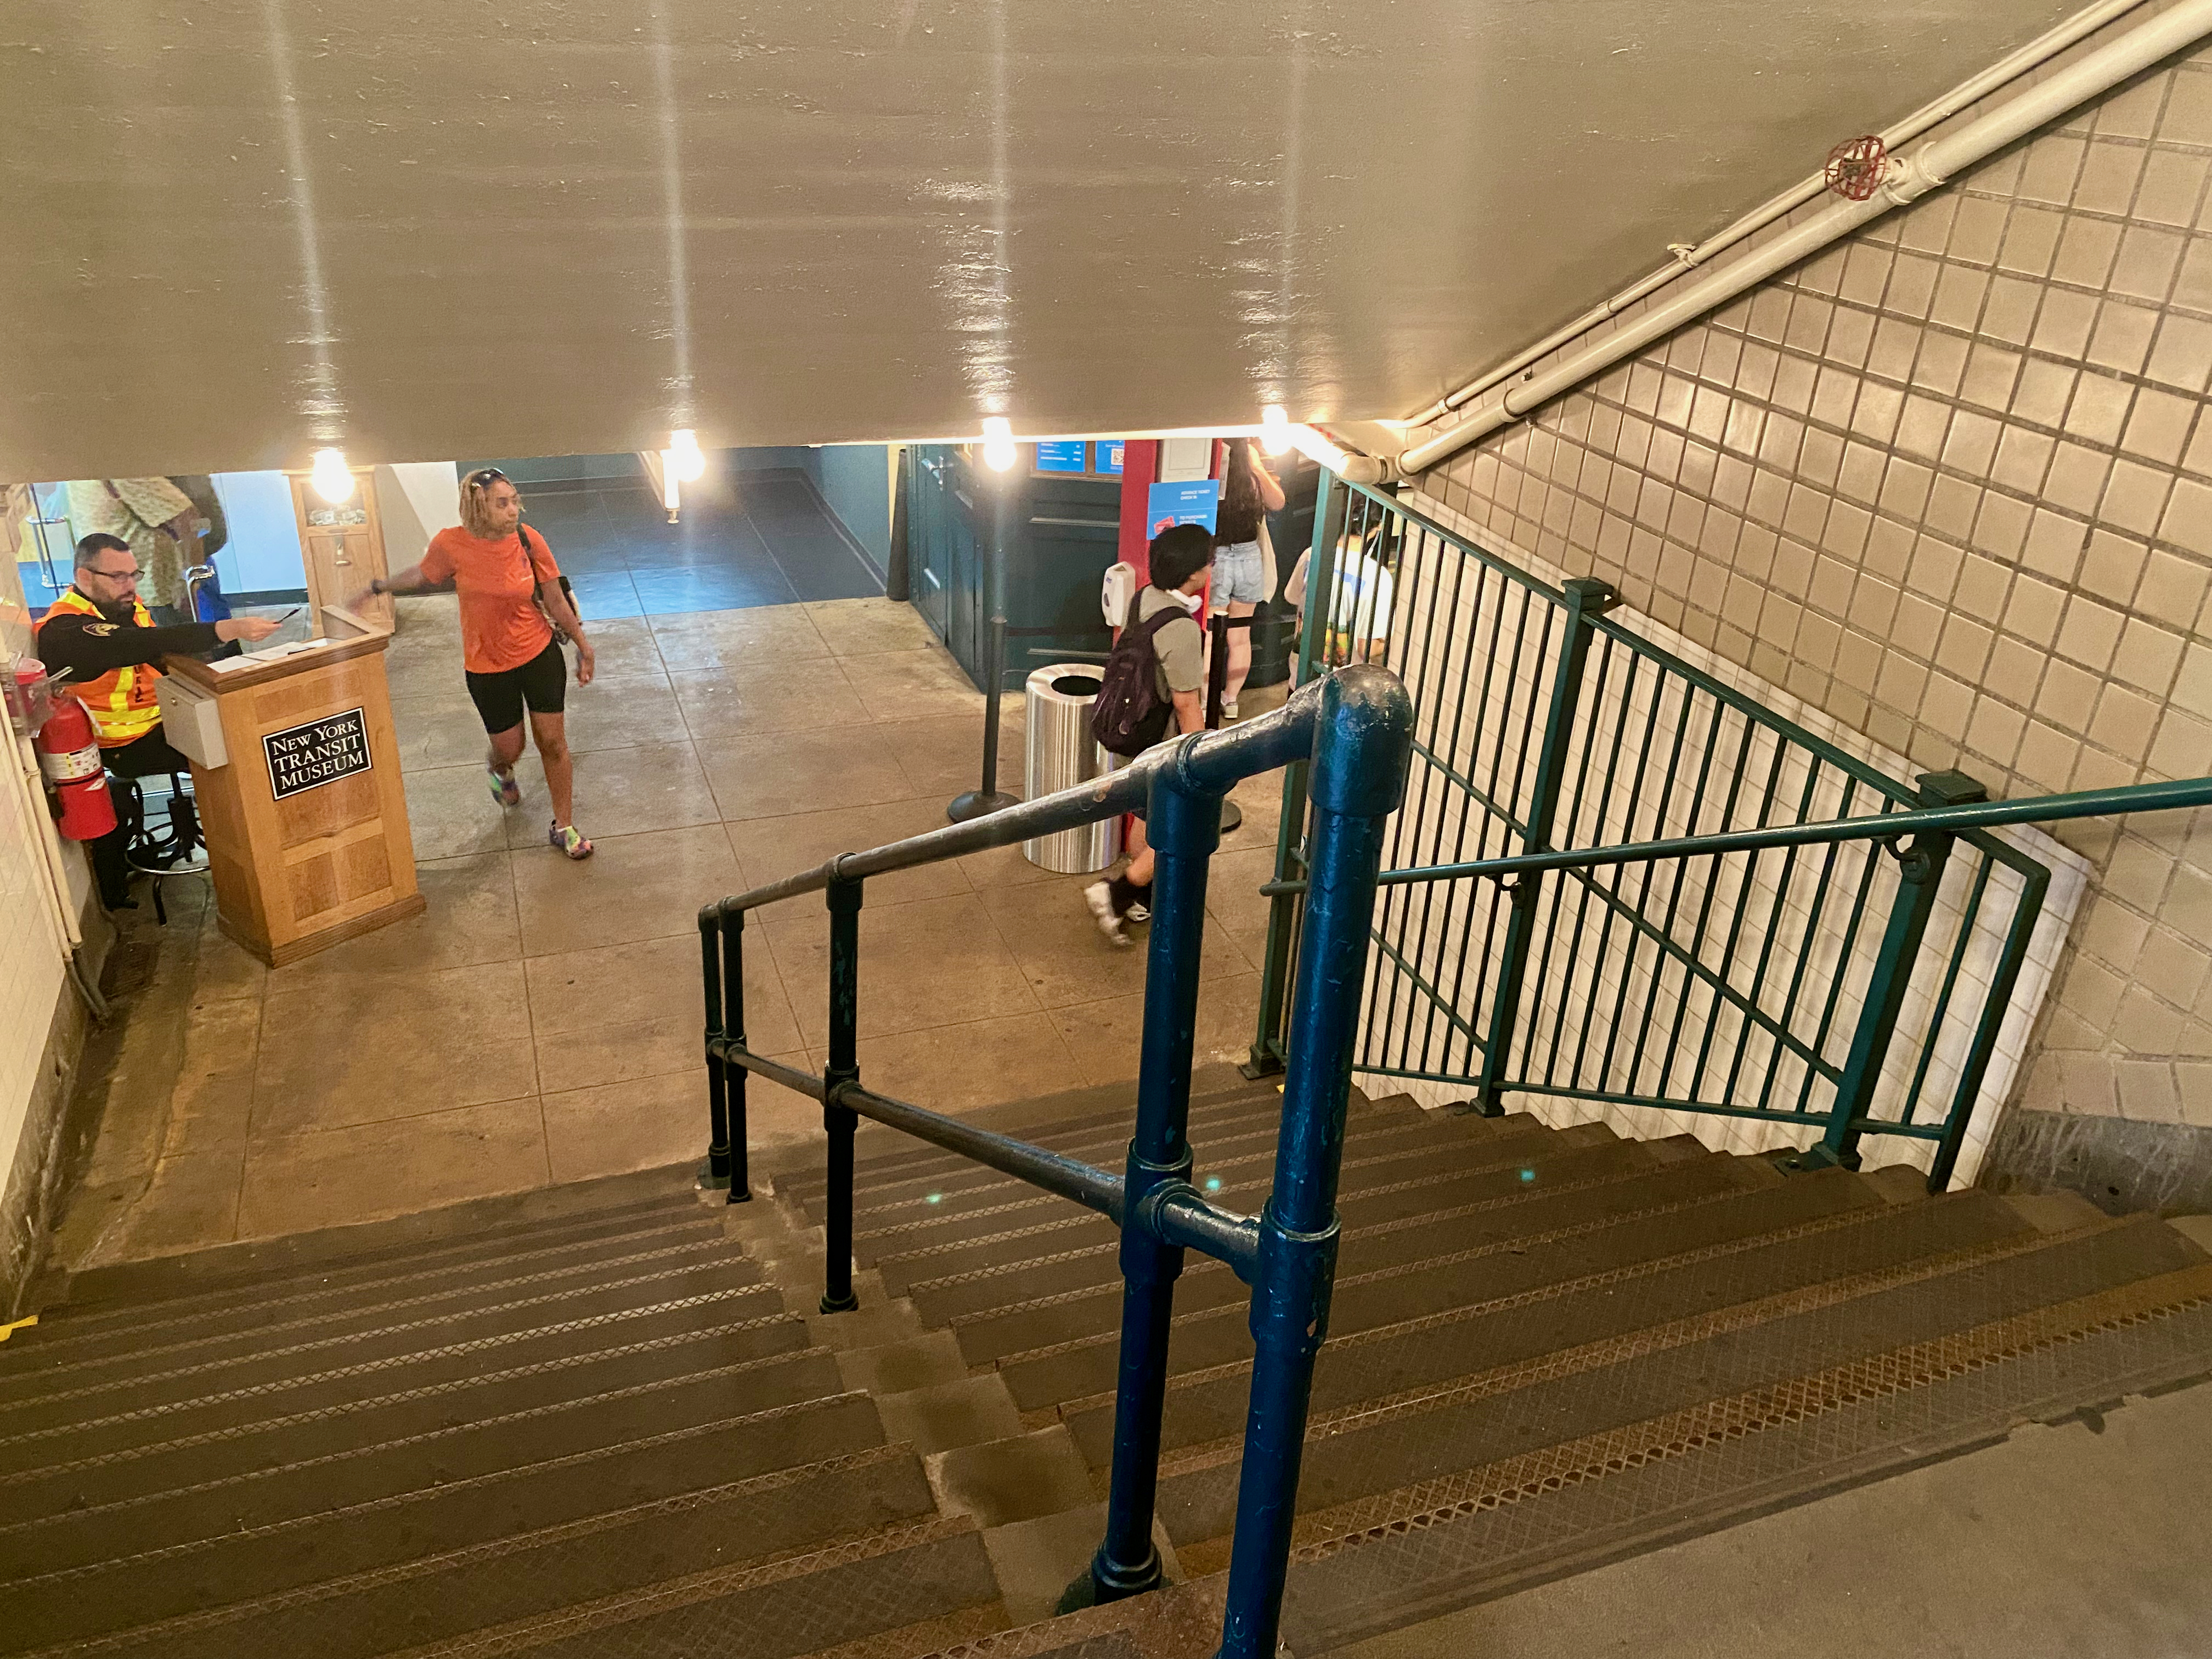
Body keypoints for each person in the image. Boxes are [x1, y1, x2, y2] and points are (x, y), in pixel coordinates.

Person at [358, 467, 599, 859]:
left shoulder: (528, 539)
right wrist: (377, 587)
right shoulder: (451, 545)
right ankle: (500, 769)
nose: (512, 511)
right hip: (488, 667)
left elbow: (554, 599)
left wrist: (583, 647)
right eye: (501, 504)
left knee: (553, 743)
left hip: (538, 653)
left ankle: (564, 826)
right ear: (478, 506)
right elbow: (422, 576)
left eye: (514, 501)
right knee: (511, 748)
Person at [35, 532, 280, 907]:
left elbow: (157, 657)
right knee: (235, 754)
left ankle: (257, 851)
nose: (130, 586)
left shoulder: (122, 608)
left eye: (134, 575)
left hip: (159, 724)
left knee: (247, 727)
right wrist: (225, 629)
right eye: (118, 577)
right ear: (85, 578)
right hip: (121, 747)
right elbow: (136, 645)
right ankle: (254, 863)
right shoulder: (65, 629)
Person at [1084, 524, 1212, 946]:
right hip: (1162, 744)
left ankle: (1144, 897)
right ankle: (1117, 893)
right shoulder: (1181, 628)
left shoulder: (1145, 599)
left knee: (1145, 813)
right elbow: (1186, 704)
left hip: (1130, 732)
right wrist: (1204, 763)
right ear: (1194, 573)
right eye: (1208, 561)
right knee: (1176, 826)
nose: (1212, 567)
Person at [1207, 438, 1286, 719]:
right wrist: (1257, 466)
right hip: (1249, 557)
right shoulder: (1251, 469)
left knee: (1209, 636)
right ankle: (1230, 700)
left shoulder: (1212, 458)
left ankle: (1206, 699)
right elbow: (1278, 502)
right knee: (1240, 636)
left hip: (1215, 558)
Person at [1284, 530, 1396, 676]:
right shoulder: (1378, 576)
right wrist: (1386, 640)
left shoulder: (1312, 554)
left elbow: (1291, 597)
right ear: (1377, 527)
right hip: (1343, 681)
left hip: (1301, 669)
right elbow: (1366, 648)